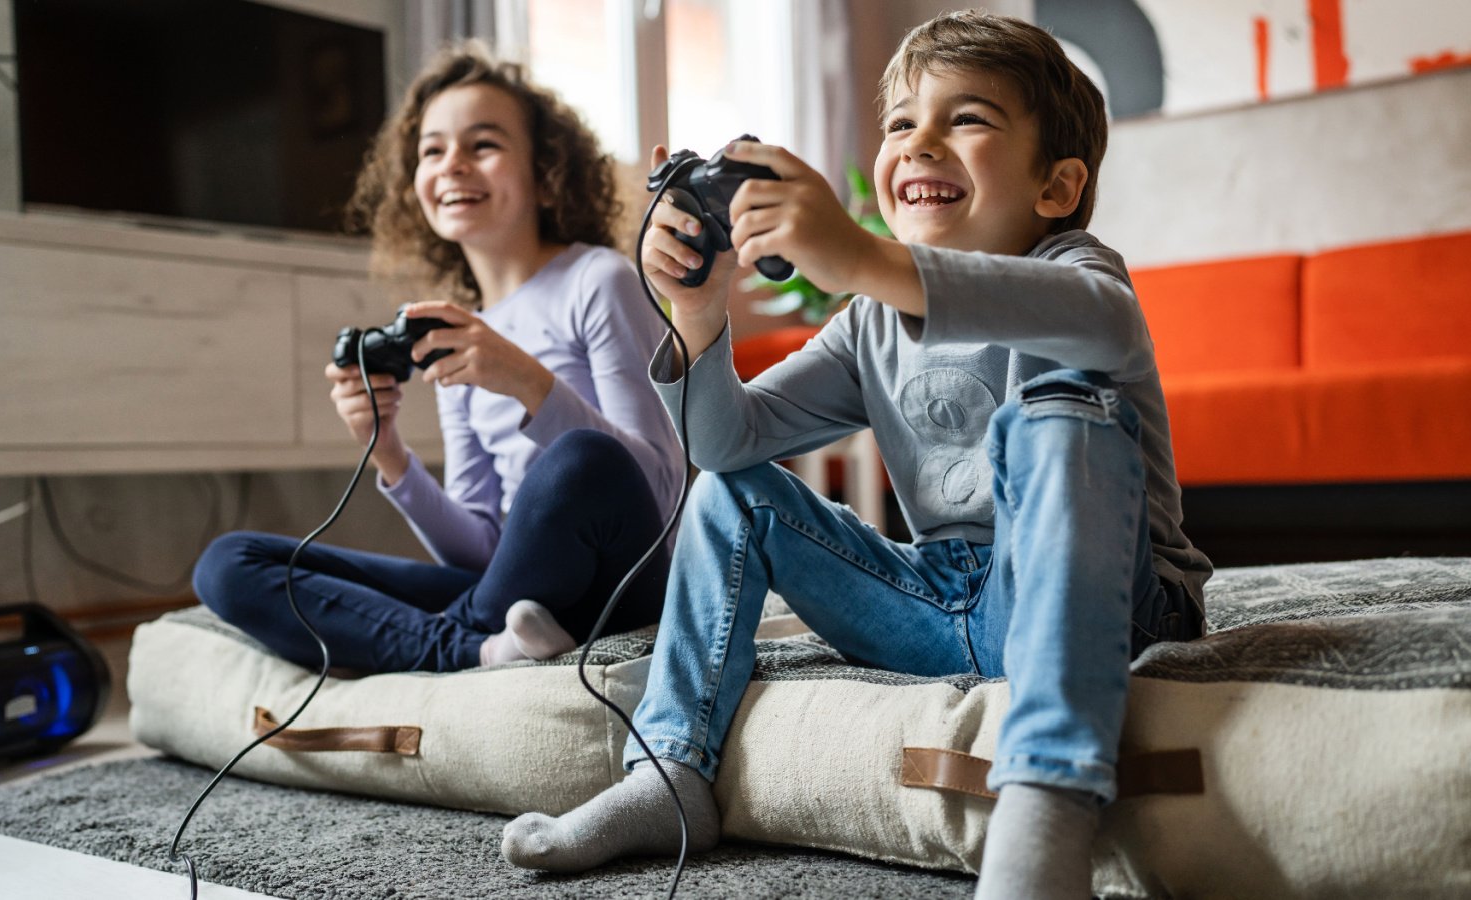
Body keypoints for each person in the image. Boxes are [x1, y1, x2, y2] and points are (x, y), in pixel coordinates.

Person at [501, 11, 1212, 899]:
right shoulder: (869, 321)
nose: (921, 143)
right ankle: (671, 771)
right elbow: (726, 442)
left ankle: (1048, 799)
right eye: (901, 123)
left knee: (1059, 411)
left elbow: (1094, 323)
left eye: (968, 119)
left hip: (1120, 605)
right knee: (735, 493)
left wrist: (857, 254)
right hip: (944, 603)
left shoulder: (1083, 271)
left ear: (1057, 188)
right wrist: (700, 313)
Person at [192, 45, 681, 675]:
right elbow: (476, 552)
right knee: (230, 564)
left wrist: (529, 383)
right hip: (511, 600)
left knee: (581, 460)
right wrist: (388, 450)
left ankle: (441, 643)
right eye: (432, 150)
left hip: (619, 586)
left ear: (545, 168)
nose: (452, 165)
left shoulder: (598, 279)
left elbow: (660, 490)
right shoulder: (457, 328)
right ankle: (476, 651)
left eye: (482, 144)